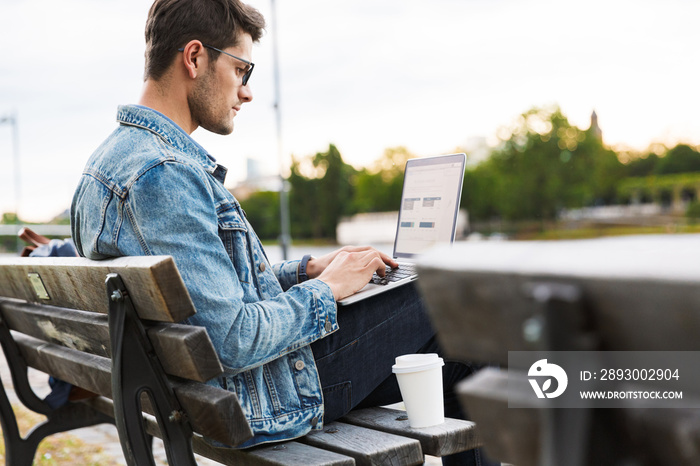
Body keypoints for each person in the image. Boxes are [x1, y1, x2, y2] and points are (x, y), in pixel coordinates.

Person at [71, 1, 497, 464]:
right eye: (241, 69)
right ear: (194, 58)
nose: (247, 92)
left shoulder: (106, 166)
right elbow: (230, 339)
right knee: (450, 296)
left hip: (194, 395)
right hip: (260, 399)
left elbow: (211, 293)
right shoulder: (163, 176)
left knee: (460, 356)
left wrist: (307, 270)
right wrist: (328, 288)